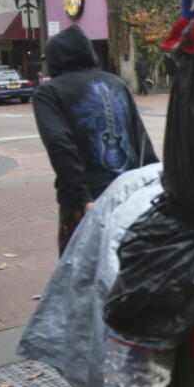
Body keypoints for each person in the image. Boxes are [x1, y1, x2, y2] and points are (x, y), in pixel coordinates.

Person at [33, 24, 158, 254]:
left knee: (80, 272)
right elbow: (141, 138)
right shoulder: (116, 83)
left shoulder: (49, 92)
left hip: (87, 197)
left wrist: (82, 199)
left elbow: (60, 146)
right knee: (126, 265)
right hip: (128, 193)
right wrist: (155, 185)